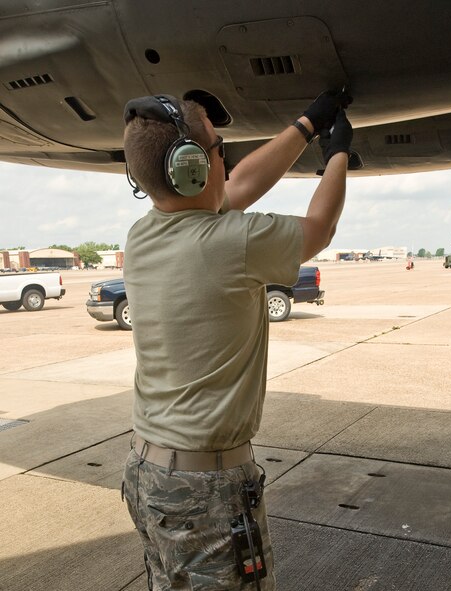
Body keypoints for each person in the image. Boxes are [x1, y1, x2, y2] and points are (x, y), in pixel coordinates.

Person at [121, 90, 353, 590]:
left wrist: (307, 125)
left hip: (148, 472)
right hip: (205, 487)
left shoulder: (143, 235)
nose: (226, 160)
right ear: (192, 170)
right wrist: (337, 156)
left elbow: (238, 186)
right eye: (218, 148)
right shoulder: (233, 242)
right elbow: (320, 229)